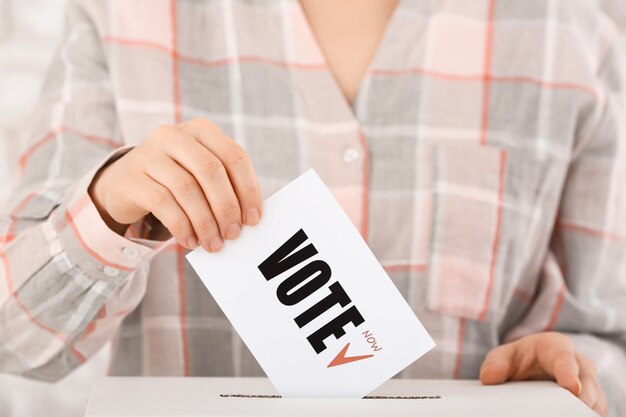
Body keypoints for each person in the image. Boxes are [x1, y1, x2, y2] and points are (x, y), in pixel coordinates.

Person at [0, 1, 624, 416]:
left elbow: (605, 336)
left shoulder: (574, 35)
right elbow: (17, 340)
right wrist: (109, 206)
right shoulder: (123, 14)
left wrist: (571, 376)